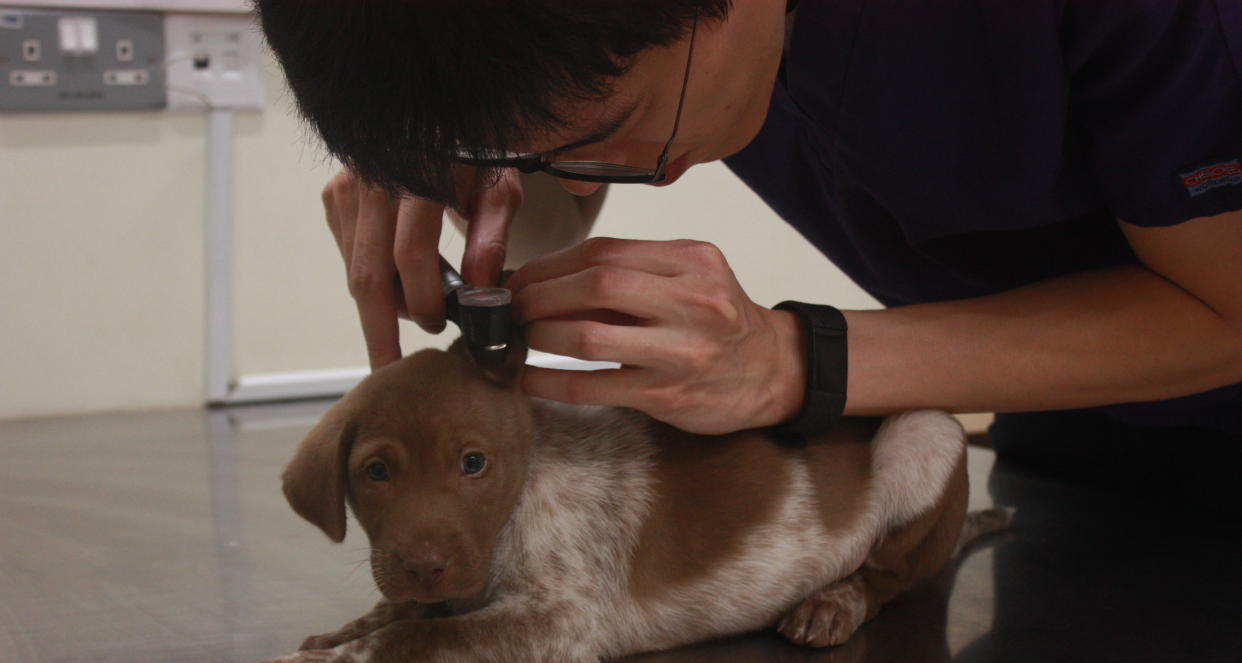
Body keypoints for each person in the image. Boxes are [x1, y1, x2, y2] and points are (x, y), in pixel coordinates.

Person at [254, 0, 1242, 507]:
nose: (605, 171)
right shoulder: (634, 39)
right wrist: (456, 160)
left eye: (616, 125)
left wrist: (796, 360)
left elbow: (1225, 309)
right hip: (1082, 448)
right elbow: (558, 202)